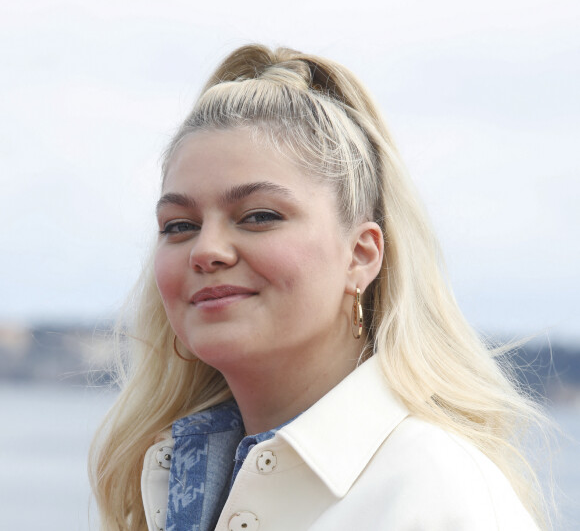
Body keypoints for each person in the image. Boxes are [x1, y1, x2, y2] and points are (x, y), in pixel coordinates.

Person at [90, 45, 550, 530]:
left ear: (361, 254)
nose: (206, 250)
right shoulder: (168, 482)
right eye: (179, 225)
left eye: (259, 216)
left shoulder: (434, 493)